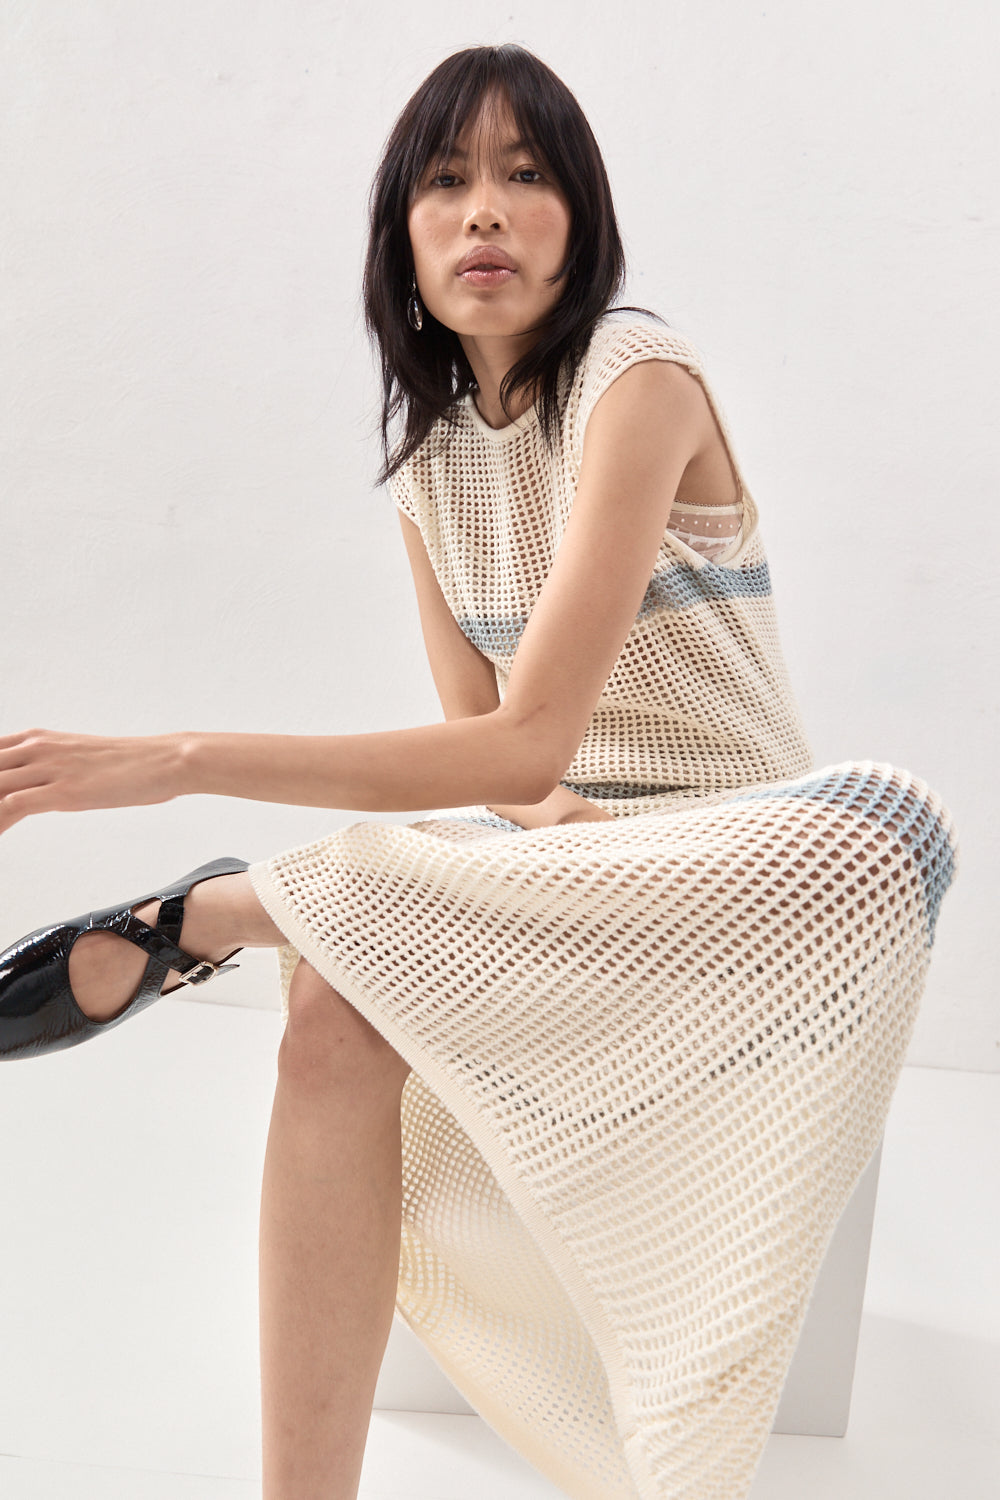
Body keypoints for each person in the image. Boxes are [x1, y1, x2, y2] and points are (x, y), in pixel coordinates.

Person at [0, 43, 956, 1500]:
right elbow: (500, 767)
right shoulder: (430, 470)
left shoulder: (640, 379)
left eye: (526, 175)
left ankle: (225, 910)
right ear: (402, 237)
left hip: (734, 863)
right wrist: (551, 824)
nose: (485, 212)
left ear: (583, 219)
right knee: (332, 1009)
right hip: (562, 862)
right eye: (445, 183)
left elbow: (522, 736)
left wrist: (179, 758)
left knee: (896, 822)